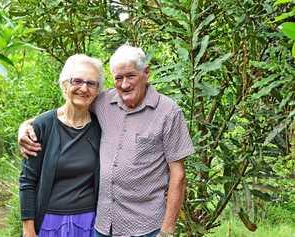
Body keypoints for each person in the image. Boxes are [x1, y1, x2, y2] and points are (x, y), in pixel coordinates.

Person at [19, 45, 195, 237]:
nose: (124, 84)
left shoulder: (168, 112)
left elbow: (178, 175)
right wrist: (27, 125)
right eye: (118, 78)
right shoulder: (104, 102)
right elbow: (69, 109)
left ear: (146, 73)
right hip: (102, 226)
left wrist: (167, 231)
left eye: (131, 76)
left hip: (145, 227)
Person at [19, 54, 103, 237]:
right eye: (77, 81)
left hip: (89, 223)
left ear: (97, 91)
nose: (84, 88)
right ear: (65, 85)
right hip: (49, 222)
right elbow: (27, 181)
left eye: (91, 83)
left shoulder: (101, 126)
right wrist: (28, 230)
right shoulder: (43, 126)